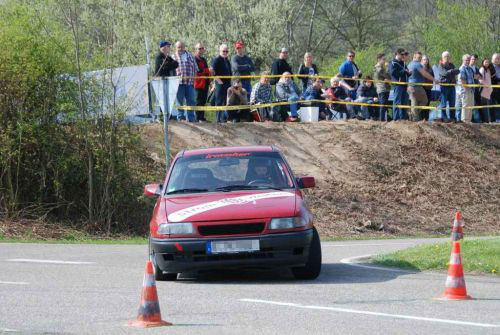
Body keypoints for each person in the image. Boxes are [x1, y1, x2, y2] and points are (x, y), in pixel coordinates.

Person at [172, 41, 198, 122]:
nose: (180, 48)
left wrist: (194, 77)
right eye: (178, 47)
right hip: (179, 83)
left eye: (181, 47)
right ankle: (181, 118)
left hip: (190, 83)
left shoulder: (190, 55)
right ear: (176, 48)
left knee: (191, 101)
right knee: (180, 101)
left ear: (184, 47)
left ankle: (191, 118)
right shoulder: (173, 56)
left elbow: (195, 67)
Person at [407, 51, 434, 121]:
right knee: (425, 100)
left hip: (410, 86)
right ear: (414, 56)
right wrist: (434, 80)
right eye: (419, 57)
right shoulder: (417, 64)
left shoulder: (409, 64)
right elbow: (425, 74)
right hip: (416, 86)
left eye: (420, 57)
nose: (420, 59)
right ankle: (413, 115)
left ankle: (413, 116)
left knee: (414, 102)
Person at [211, 44, 232, 122]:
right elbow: (212, 71)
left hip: (228, 84)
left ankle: (223, 119)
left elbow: (230, 72)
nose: (225, 52)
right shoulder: (217, 60)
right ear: (220, 51)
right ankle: (218, 120)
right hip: (220, 85)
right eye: (224, 51)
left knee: (226, 101)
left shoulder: (227, 60)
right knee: (219, 101)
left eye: (227, 51)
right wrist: (218, 80)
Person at [437, 51, 460, 122]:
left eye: (448, 56)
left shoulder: (451, 65)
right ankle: (444, 117)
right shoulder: (440, 65)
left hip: (452, 86)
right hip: (444, 86)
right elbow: (444, 73)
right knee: (443, 104)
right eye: (445, 56)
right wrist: (451, 72)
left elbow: (458, 71)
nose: (447, 58)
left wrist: (450, 71)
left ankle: (452, 117)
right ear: (442, 58)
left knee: (452, 103)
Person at [456, 54, 478, 123]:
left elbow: (473, 77)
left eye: (469, 60)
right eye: (466, 60)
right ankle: (465, 121)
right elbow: (463, 81)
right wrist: (467, 88)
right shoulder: (462, 69)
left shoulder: (470, 68)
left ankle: (469, 121)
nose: (468, 61)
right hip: (465, 90)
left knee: (470, 106)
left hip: (471, 90)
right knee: (465, 106)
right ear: (463, 60)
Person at [390, 48, 410, 121]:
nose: (403, 56)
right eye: (402, 54)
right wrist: (404, 71)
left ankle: (402, 117)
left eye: (404, 54)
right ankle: (396, 118)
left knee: (403, 101)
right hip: (398, 84)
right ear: (397, 54)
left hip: (404, 84)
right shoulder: (393, 63)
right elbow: (393, 73)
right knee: (397, 101)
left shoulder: (403, 63)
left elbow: (406, 72)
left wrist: (409, 73)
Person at [193, 43, 209, 122]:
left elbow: (206, 70)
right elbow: (198, 71)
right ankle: (196, 118)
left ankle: (201, 117)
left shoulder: (203, 59)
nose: (200, 50)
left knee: (203, 100)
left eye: (202, 48)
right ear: (195, 49)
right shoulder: (194, 59)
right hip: (198, 83)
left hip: (205, 83)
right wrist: (207, 70)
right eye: (199, 48)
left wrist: (209, 72)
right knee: (198, 101)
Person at [373, 53, 391, 121]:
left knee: (385, 105)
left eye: (385, 59)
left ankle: (384, 118)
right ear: (379, 59)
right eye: (383, 59)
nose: (385, 61)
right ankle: (381, 120)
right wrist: (387, 68)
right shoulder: (378, 67)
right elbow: (387, 75)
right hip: (382, 88)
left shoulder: (382, 67)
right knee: (382, 104)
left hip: (386, 88)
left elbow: (389, 77)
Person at [478, 58, 493, 123]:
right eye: (485, 62)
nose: (487, 63)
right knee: (484, 106)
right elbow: (480, 80)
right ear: (483, 63)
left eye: (488, 62)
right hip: (483, 91)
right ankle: (485, 120)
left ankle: (488, 120)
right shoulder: (482, 69)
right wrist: (486, 86)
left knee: (487, 106)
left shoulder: (488, 70)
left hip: (488, 91)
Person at [421, 55, 434, 120]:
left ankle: (426, 118)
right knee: (423, 103)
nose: (426, 61)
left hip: (429, 88)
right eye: (424, 59)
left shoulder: (430, 69)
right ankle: (422, 118)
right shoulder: (420, 68)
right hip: (422, 88)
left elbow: (432, 77)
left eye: (426, 59)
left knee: (428, 103)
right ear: (422, 60)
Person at [470, 54, 481, 122]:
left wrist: (475, 76)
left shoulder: (476, 68)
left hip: (476, 88)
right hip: (470, 88)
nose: (473, 61)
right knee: (471, 103)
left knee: (477, 103)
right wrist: (474, 76)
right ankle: (475, 119)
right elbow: (471, 77)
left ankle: (475, 120)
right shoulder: (467, 67)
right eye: (472, 59)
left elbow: (479, 76)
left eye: (475, 59)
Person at [491, 53, 500, 122]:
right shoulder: (490, 67)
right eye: (496, 58)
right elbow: (492, 77)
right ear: (492, 59)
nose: (497, 60)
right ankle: (496, 119)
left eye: (498, 58)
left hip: (498, 88)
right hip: (493, 88)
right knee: (495, 104)